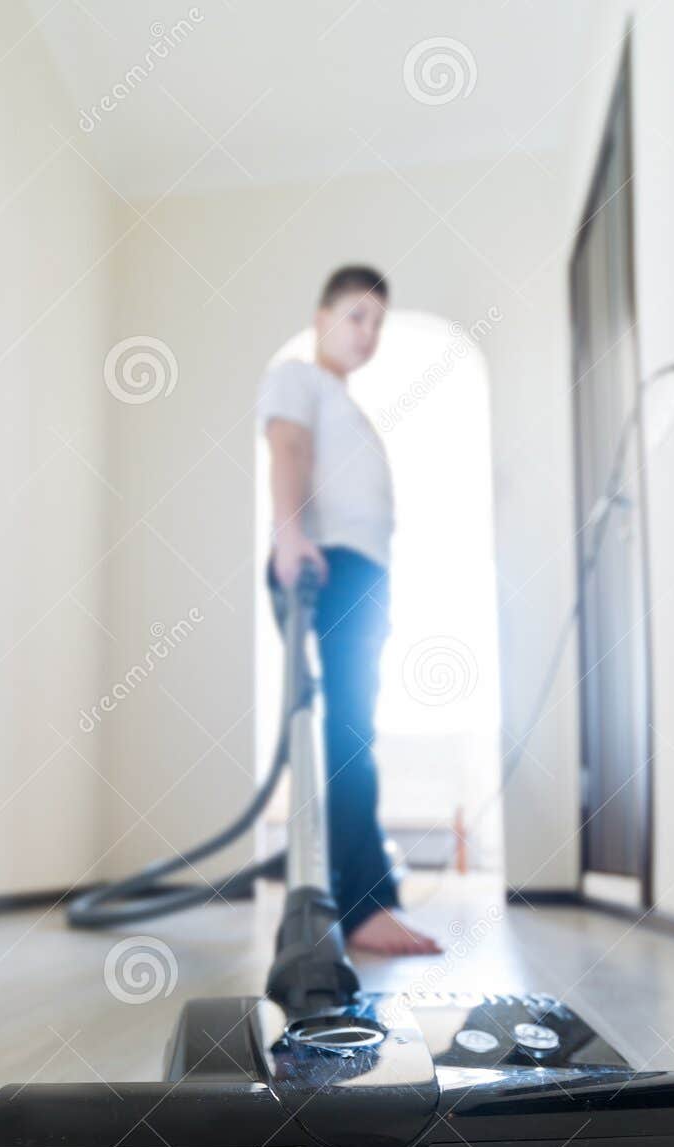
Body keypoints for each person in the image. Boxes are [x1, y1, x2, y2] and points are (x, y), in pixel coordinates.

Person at [258, 265, 441, 957]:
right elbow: (289, 448)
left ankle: (345, 894)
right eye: (356, 316)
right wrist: (290, 534)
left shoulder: (344, 400)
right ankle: (364, 905)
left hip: (354, 569)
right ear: (321, 317)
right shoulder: (299, 380)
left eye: (377, 323)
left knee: (348, 729)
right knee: (349, 730)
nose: (368, 334)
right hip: (324, 561)